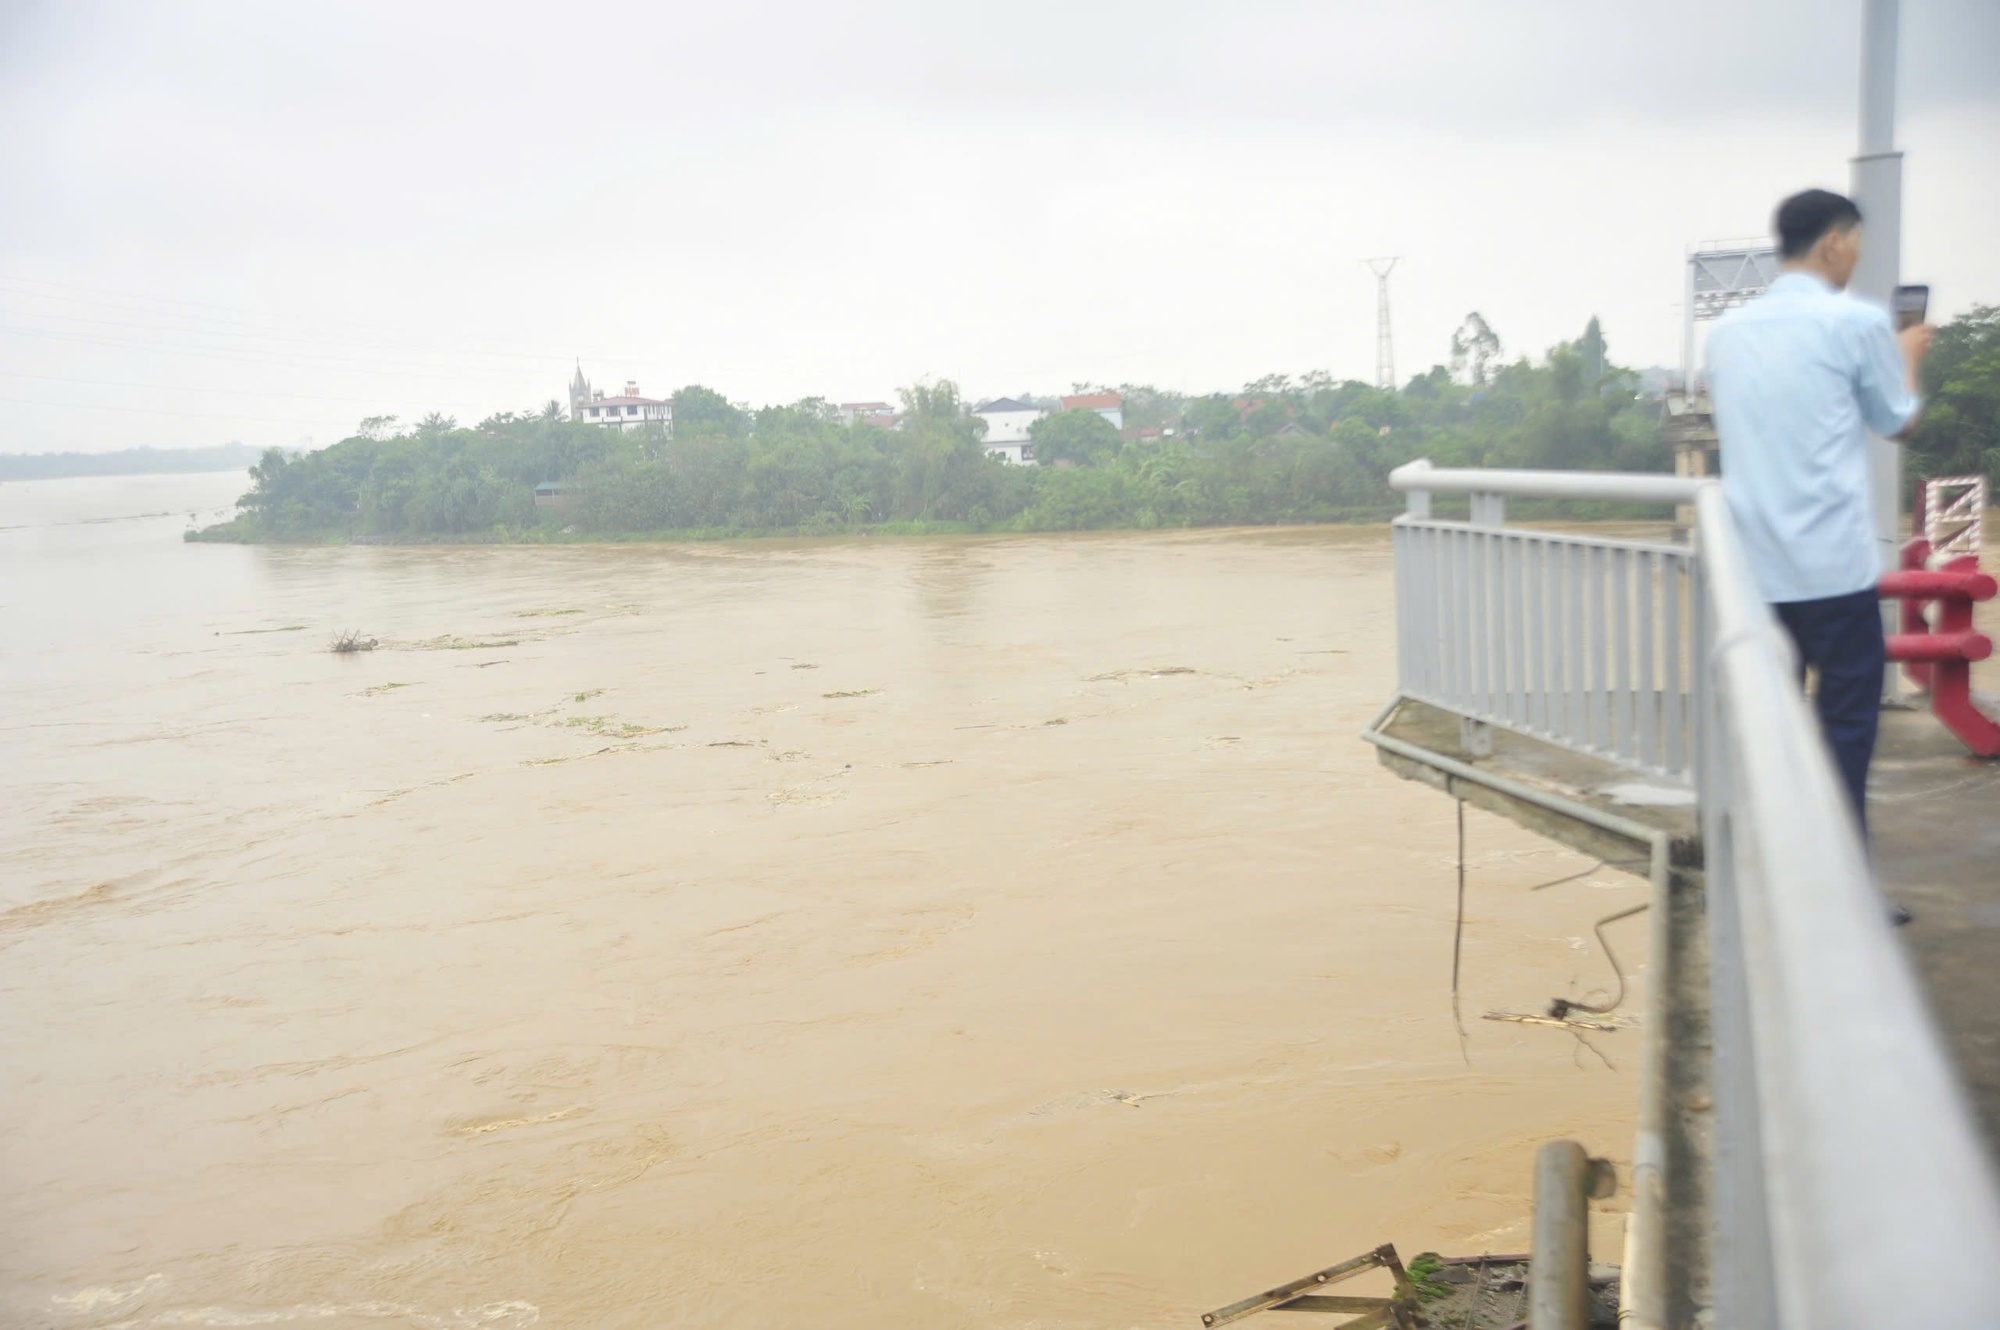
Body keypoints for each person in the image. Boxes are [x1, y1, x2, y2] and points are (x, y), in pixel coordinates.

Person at [1705, 188, 1932, 861]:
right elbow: (1899, 421)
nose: (1853, 260)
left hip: (1752, 568)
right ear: (1834, 242)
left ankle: (1763, 867)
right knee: (1846, 728)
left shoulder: (1727, 333)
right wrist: (1909, 353)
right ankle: (1842, 876)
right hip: (1832, 568)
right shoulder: (1856, 324)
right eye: (1854, 245)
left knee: (1766, 730)